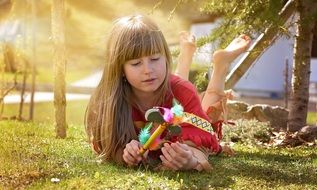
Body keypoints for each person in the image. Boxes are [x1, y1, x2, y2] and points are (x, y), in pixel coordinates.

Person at [85, 14, 251, 171]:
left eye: (155, 59)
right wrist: (125, 154)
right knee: (175, 90)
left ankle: (220, 66)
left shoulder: (183, 91)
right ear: (120, 69)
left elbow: (202, 143)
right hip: (171, 89)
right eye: (136, 63)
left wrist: (191, 161)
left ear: (165, 58)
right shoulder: (109, 99)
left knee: (207, 114)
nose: (147, 70)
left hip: (177, 93)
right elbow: (107, 145)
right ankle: (186, 55)